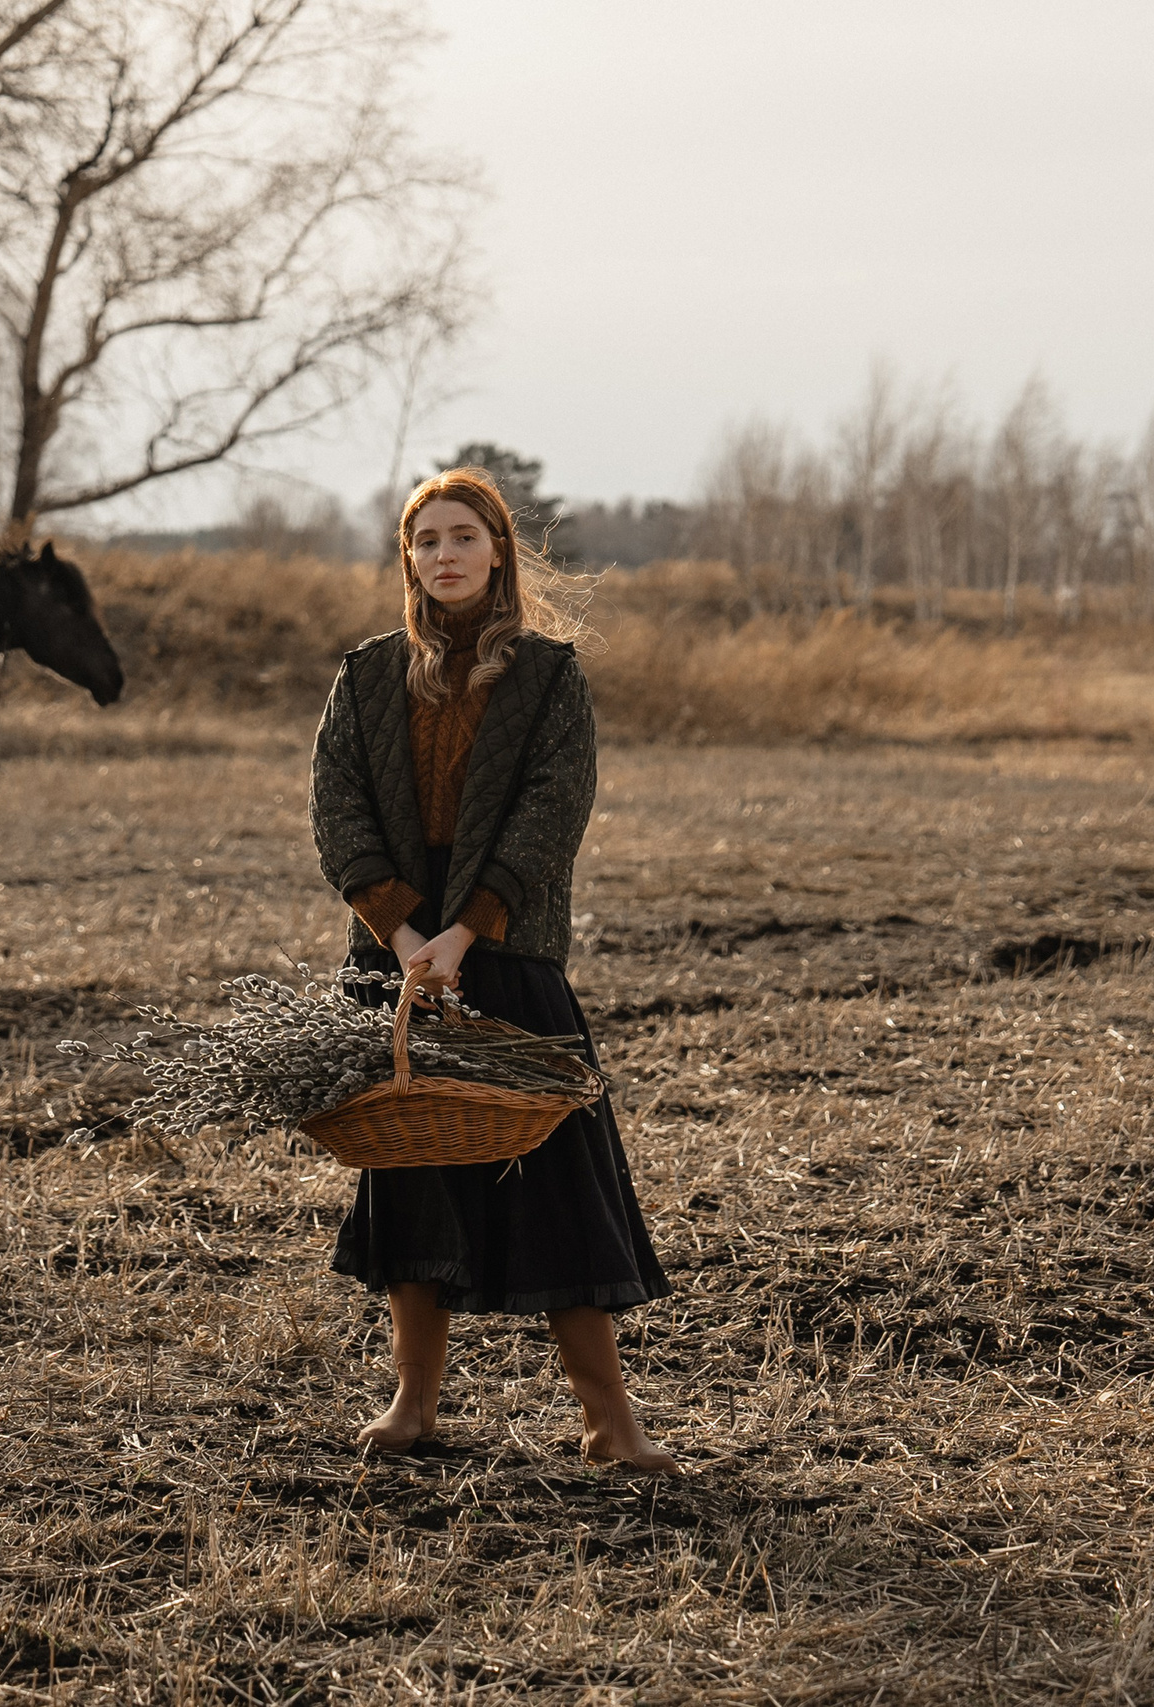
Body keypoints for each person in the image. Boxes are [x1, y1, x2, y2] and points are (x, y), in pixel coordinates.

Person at [309, 466, 676, 1471]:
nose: (444, 555)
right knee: (410, 1182)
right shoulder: (365, 674)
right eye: (425, 540)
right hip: (395, 961)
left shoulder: (550, 677)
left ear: (500, 550)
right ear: (407, 558)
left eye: (463, 536)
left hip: (503, 949)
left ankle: (610, 1423)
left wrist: (464, 934)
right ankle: (413, 1404)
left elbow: (552, 812)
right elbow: (337, 811)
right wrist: (401, 936)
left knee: (558, 1184)